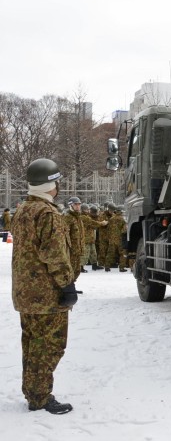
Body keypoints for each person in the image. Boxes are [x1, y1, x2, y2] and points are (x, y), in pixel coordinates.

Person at [11, 158, 77, 415]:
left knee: (32, 343)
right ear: (49, 185)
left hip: (26, 293)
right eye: (56, 182)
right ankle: (39, 396)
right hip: (46, 295)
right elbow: (55, 255)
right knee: (50, 345)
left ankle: (33, 391)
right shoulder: (47, 213)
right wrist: (67, 285)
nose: (58, 187)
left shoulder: (23, 210)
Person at [65, 198, 107, 275]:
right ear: (71, 205)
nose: (78, 206)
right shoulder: (81, 217)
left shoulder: (80, 216)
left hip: (89, 238)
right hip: (84, 239)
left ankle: (94, 265)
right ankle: (81, 267)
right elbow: (92, 223)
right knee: (85, 254)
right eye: (75, 205)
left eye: (79, 205)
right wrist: (102, 223)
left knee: (93, 253)